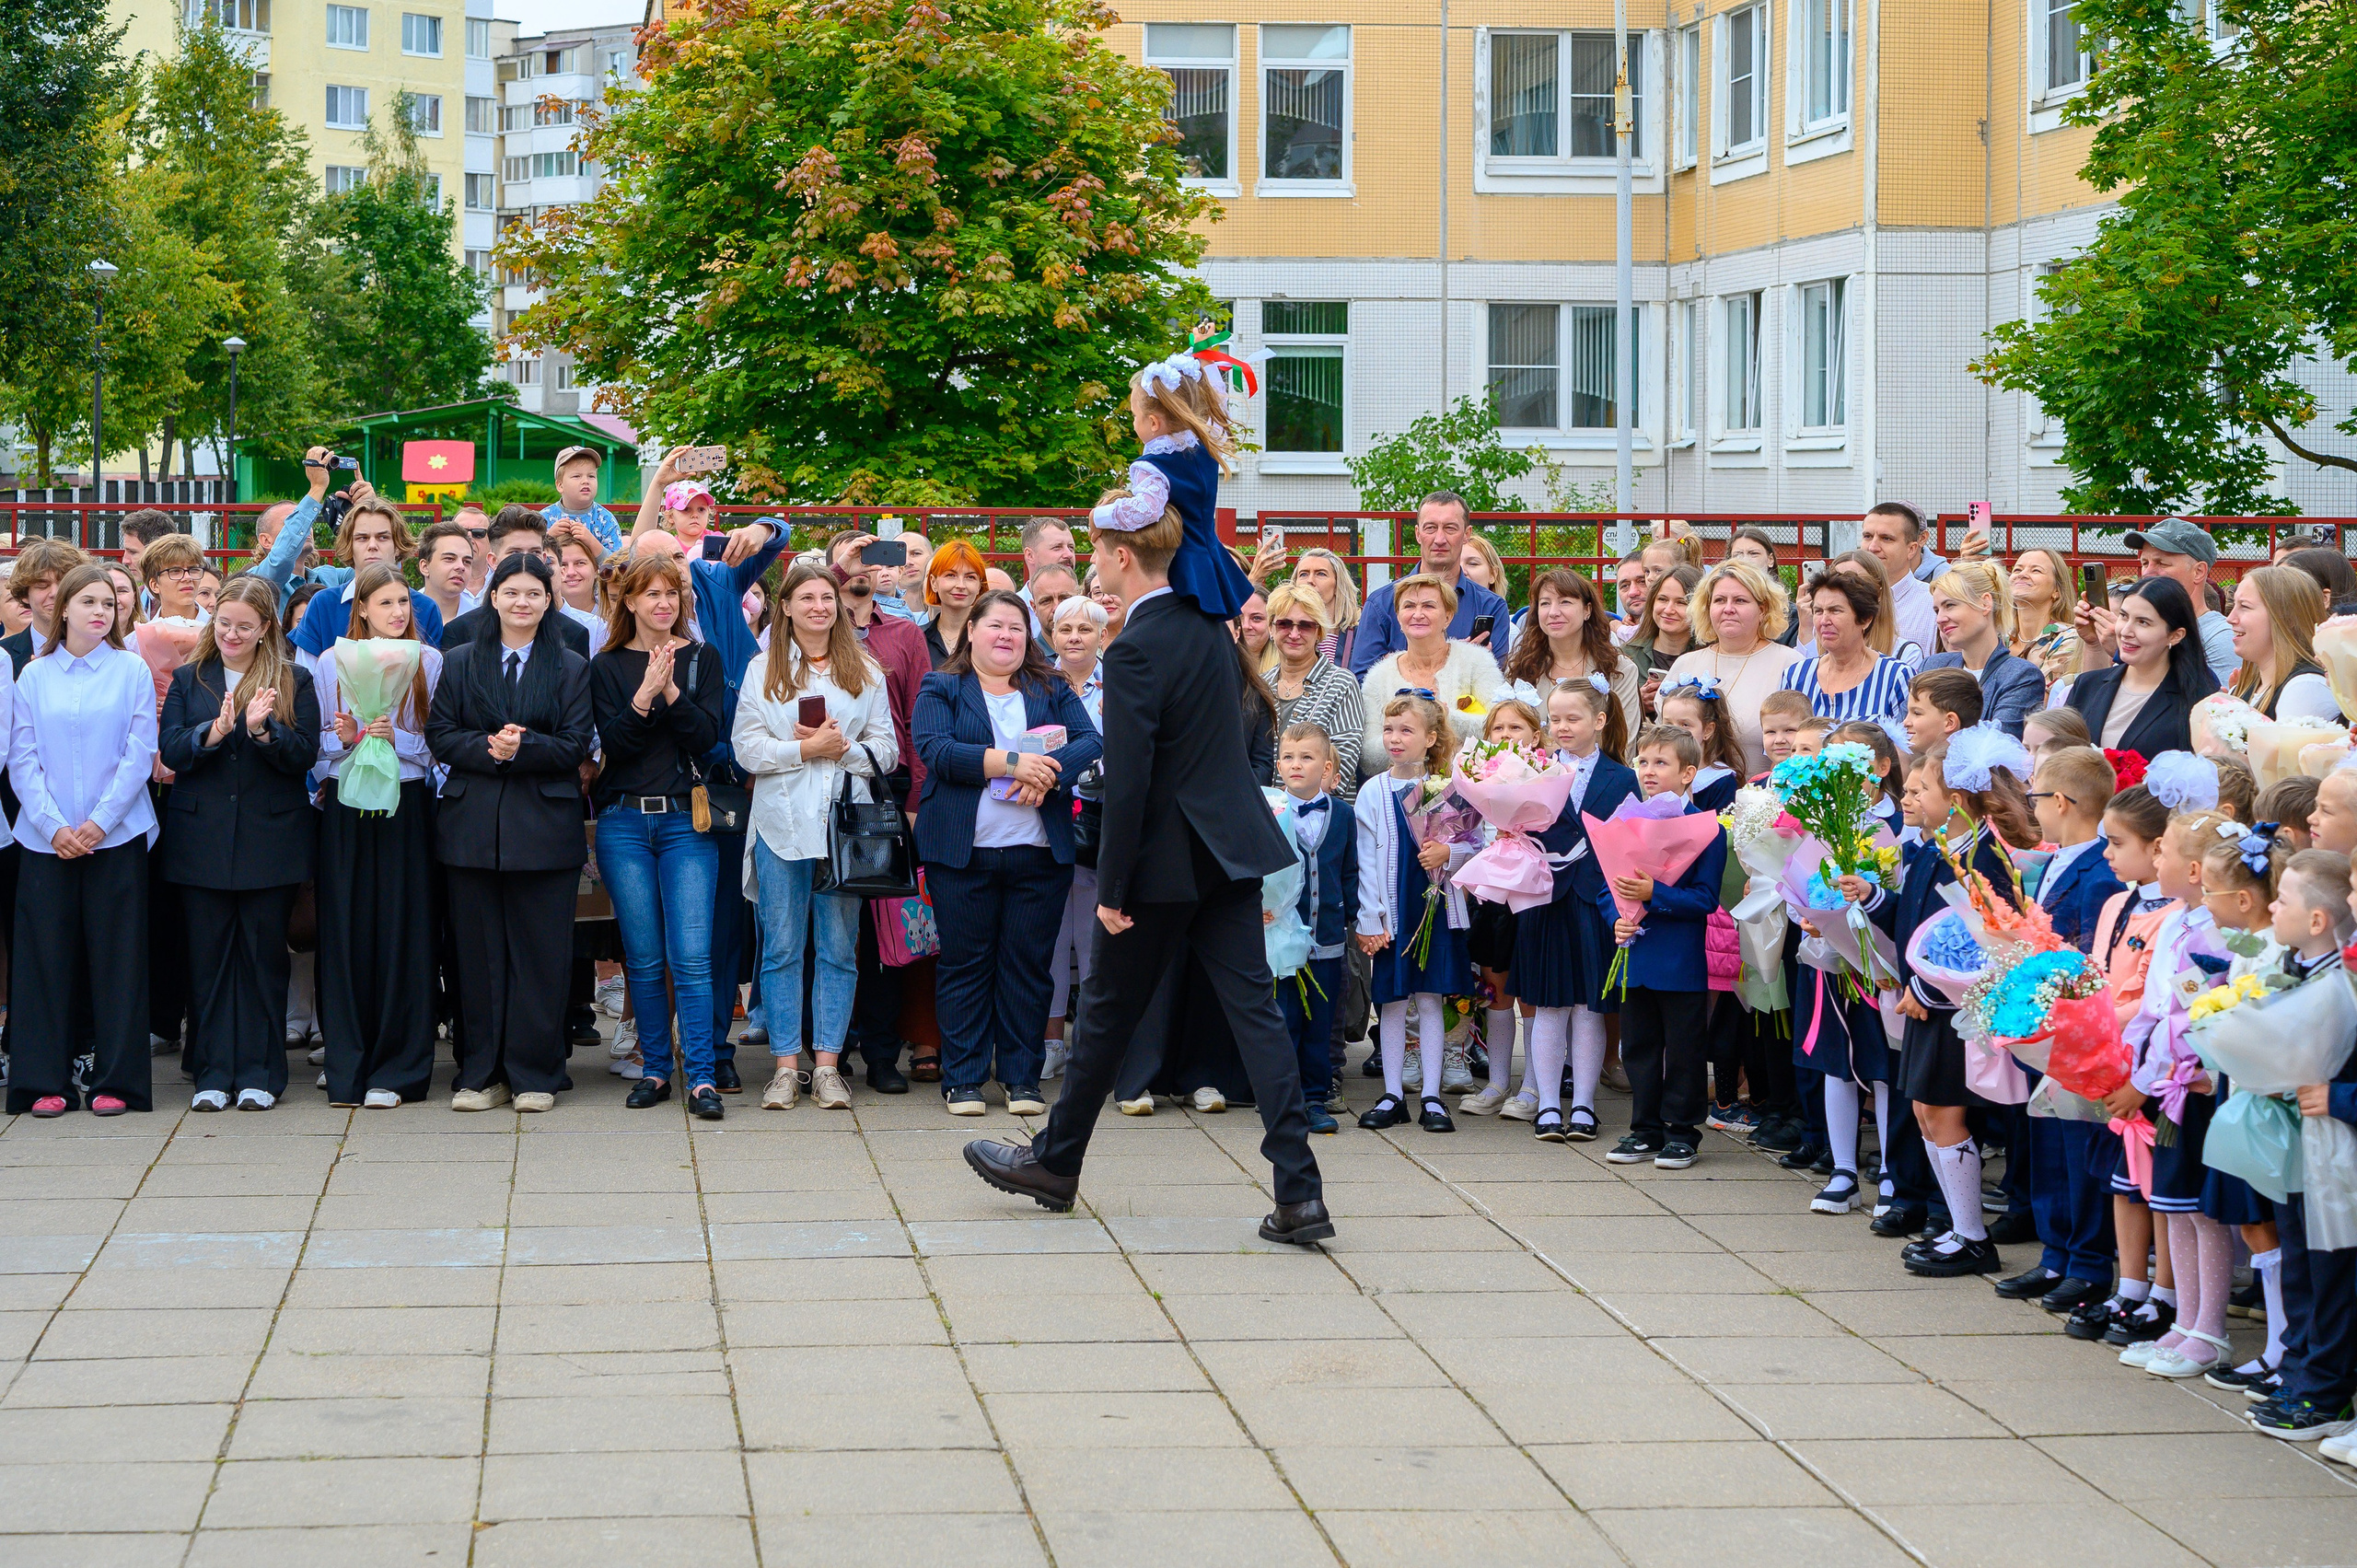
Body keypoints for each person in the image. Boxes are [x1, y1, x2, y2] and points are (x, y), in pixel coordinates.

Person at [960, 500, 1330, 1248]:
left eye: (1099, 550)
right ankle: (1300, 1193)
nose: (1092, 563)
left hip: (1164, 860)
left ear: (1124, 557)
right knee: (1254, 1015)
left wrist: (1114, 888)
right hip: (1229, 849)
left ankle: (1055, 1164)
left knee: (1104, 1012)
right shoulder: (1208, 623)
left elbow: (1129, 779)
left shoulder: (1134, 645)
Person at [914, 589, 1100, 1117]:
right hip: (962, 854)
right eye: (995, 625)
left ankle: (1022, 1078)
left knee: (1028, 967)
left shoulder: (1051, 686)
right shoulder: (941, 686)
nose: (1006, 636)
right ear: (971, 631)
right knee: (965, 966)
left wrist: (1047, 774)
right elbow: (936, 750)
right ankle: (965, 1079)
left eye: (1016, 628)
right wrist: (1013, 763)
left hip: (1038, 854)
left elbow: (1090, 741)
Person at [1858, 735, 2038, 1277]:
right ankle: (1960, 1228)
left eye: (1920, 790)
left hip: (1953, 1011)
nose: (1907, 798)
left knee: (1944, 1114)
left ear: (1955, 800)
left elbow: (1995, 943)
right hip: (1925, 1005)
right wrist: (1872, 899)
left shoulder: (1986, 858)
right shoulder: (1934, 851)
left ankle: (1972, 1236)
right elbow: (1916, 923)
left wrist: (1931, 990)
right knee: (1925, 1112)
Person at [425, 553, 596, 1114]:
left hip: (544, 829)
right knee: (475, 958)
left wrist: (525, 747)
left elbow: (575, 742)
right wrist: (487, 749)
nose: (522, 602)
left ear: (549, 601)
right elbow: (441, 733)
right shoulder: (459, 660)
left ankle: (535, 1073)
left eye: (534, 594)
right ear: (493, 596)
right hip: (471, 827)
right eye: (512, 592)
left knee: (541, 956)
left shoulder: (570, 665)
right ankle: (481, 1072)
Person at [733, 562, 899, 1110]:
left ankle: (827, 1066)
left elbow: (888, 751)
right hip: (781, 825)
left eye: (827, 598)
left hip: (844, 828)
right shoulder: (763, 670)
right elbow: (746, 748)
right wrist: (805, 750)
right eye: (806, 598)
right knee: (781, 948)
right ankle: (785, 1066)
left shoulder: (865, 670)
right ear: (784, 607)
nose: (819, 607)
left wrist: (842, 749)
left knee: (838, 948)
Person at [157, 577, 319, 1112]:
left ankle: (260, 1074)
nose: (231, 634)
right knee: (207, 961)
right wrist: (216, 731)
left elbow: (305, 755)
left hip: (270, 842)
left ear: (265, 628)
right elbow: (172, 750)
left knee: (261, 960)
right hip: (200, 841)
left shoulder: (293, 678)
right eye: (224, 623)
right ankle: (211, 1073)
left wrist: (265, 732)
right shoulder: (189, 678)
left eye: (244, 627)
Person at [6, 563, 156, 1117]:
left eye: (109, 604)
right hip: (45, 841)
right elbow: (21, 758)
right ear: (62, 607)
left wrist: (101, 820)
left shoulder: (131, 669)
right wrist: (53, 826)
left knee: (119, 960)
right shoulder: (33, 675)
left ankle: (118, 1081)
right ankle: (43, 1081)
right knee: (43, 960)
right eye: (88, 601)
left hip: (116, 837)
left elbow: (139, 752)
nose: (100, 612)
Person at [590, 552, 729, 1120]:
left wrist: (670, 690)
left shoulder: (702, 658)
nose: (664, 603)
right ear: (629, 601)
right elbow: (616, 746)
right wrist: (644, 693)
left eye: (672, 593)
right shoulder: (606, 666)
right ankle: (654, 1068)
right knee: (643, 957)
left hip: (684, 821)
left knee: (691, 956)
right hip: (623, 821)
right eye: (651, 593)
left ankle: (701, 1077)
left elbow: (707, 739)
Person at [1997, 745, 2127, 1313]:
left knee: (2080, 1145)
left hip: (2075, 1028)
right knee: (2046, 1140)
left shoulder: (2100, 871)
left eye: (2035, 797)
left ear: (2063, 802)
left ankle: (2088, 1262)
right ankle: (2055, 1254)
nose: (2031, 806)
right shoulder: (2053, 857)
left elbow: (2090, 955)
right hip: (2043, 1024)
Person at [312, 562, 442, 1109]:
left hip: (407, 805)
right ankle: (347, 1063)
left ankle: (399, 1068)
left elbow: (437, 746)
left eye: (403, 602)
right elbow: (318, 747)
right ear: (361, 609)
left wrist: (395, 739)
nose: (396, 612)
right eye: (385, 603)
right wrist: (348, 738)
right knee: (346, 930)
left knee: (403, 931)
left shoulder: (428, 660)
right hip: (347, 804)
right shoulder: (331, 661)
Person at [2063, 779, 2181, 1346]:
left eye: (2116, 843)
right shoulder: (2117, 902)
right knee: (2122, 1181)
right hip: (2113, 1060)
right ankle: (2129, 1287)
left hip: (2156, 1066)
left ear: (2158, 847)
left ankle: (2166, 1294)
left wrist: (2099, 1021)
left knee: (2158, 1186)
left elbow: (2155, 998)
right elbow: (2100, 973)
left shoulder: (2177, 914)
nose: (2106, 854)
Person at [819, 530, 935, 1091]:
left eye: (873, 557)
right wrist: (840, 570)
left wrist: (914, 801)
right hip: (822, 786)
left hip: (888, 789)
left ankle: (883, 1052)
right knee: (831, 925)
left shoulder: (905, 633)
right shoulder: (818, 626)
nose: (867, 566)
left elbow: (918, 720)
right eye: (854, 559)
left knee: (884, 926)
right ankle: (831, 1048)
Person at [1504, 679, 1634, 1141]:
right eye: (1554, 718)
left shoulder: (1622, 778)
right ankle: (1546, 1104)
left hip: (1597, 902)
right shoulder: (1531, 770)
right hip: (1546, 899)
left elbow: (1629, 842)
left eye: (1572, 718)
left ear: (1599, 721)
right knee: (1548, 1004)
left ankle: (1583, 1104)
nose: (1561, 726)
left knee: (1588, 1007)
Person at [1600, 724, 1729, 1171]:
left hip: (1679, 962)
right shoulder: (1626, 821)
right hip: (1635, 957)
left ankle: (1682, 1132)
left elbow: (1705, 900)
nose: (1649, 771)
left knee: (1684, 1049)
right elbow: (1606, 886)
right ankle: (1645, 1128)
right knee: (1638, 1046)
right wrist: (1616, 918)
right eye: (1643, 761)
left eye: (1661, 762)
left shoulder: (1708, 830)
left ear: (1688, 773)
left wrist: (1655, 893)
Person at [1351, 691, 1473, 1134]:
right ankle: (1392, 1095)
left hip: (1434, 906)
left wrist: (1449, 853)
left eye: (1407, 730)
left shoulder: (1450, 786)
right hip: (1393, 911)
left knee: (1431, 997)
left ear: (1431, 738)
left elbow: (1477, 843)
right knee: (1392, 1000)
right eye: (1389, 729)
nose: (1395, 738)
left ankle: (1432, 1096)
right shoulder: (1373, 790)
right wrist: (1370, 918)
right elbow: (1365, 859)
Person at [1087, 352, 1260, 621]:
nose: (1134, 423)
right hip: (1211, 556)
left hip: (1178, 567)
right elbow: (1219, 408)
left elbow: (1146, 509)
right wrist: (1207, 364)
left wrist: (1098, 516)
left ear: (1153, 423)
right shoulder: (1203, 444)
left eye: (1135, 416)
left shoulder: (1154, 465)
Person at [1274, 721, 1356, 1137]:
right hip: (1282, 938)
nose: (1296, 764)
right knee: (1284, 1019)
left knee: (1321, 1024)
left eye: (1306, 757)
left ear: (1326, 768)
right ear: (1278, 765)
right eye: (1288, 757)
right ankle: (1283, 1099)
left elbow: (1350, 871)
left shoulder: (1343, 815)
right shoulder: (1270, 810)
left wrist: (1355, 919)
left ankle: (1315, 1097)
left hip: (1327, 938)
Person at [1042, 595, 1109, 1081]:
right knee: (1051, 936)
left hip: (1104, 821)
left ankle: (1091, 1045)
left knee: (1093, 937)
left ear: (1102, 636)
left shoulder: (1120, 681)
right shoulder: (1036, 681)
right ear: (1051, 635)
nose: (1074, 638)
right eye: (1065, 629)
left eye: (1085, 630)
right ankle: (1050, 1043)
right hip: (1049, 815)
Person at [1346, 493, 1511, 677]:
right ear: (1418, 534)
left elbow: (1495, 682)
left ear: (1466, 534)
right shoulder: (1381, 604)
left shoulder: (1491, 606)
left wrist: (1397, 665)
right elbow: (1361, 680)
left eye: (1450, 528)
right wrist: (1462, 662)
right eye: (1430, 528)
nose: (1439, 539)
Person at [1662, 559, 1799, 776]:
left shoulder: (1790, 664)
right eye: (1719, 600)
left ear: (1762, 609)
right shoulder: (1685, 665)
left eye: (1740, 600)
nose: (1728, 609)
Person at [1356, 573, 1506, 763]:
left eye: (1428, 606)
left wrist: (1445, 717)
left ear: (1448, 617)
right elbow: (1368, 756)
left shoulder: (1478, 661)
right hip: (1401, 780)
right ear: (1399, 617)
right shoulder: (1378, 677)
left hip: (1468, 778)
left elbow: (1500, 727)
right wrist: (1406, 735)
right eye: (1409, 606)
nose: (1418, 614)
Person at [2065, 576, 2220, 758]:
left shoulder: (2199, 699)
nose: (2125, 631)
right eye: (2124, 616)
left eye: (2143, 622)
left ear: (2175, 636)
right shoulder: (2087, 685)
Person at [2072, 517, 2238, 685]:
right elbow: (2094, 695)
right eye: (2145, 563)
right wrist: (2095, 644)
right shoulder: (2133, 628)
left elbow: (2210, 700)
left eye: (2161, 563)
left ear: (2199, 572)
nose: (2147, 573)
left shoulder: (2221, 638)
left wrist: (2125, 650)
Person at [289, 497, 447, 656]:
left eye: (383, 537)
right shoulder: (323, 605)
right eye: (362, 538)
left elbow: (431, 668)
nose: (372, 546)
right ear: (350, 546)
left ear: (398, 546)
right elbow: (306, 669)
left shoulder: (426, 608)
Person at [1505, 568, 1643, 745]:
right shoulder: (1520, 667)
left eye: (1565, 602)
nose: (1553, 612)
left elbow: (1624, 743)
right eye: (1545, 603)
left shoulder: (1619, 669)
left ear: (1587, 610)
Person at [1921, 562, 2046, 736]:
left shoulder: (2021, 676)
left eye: (1949, 605)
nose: (1940, 619)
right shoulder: (1932, 667)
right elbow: (1905, 736)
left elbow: (1995, 743)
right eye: (1937, 610)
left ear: (1985, 603)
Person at [1263, 583, 1365, 796]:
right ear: (1271, 628)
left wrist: (1280, 801)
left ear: (1319, 632)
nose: (1294, 634)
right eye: (1284, 624)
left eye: (1305, 626)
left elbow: (1342, 764)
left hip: (1320, 812)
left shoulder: (1341, 683)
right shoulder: (1260, 686)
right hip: (1262, 810)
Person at [442, 510, 588, 658]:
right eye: (514, 553)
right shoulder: (460, 632)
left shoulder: (573, 634)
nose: (525, 561)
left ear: (544, 559)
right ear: (493, 561)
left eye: (534, 553)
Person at [1779, 566, 1913, 726]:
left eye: (1835, 611)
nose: (1824, 621)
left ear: (1866, 619)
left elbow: (1909, 738)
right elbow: (1782, 732)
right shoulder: (1796, 676)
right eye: (1818, 611)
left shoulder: (1896, 676)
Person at [2228, 565, 2340, 722]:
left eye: (2245, 606)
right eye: (2234, 605)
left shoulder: (2304, 688)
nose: (2230, 618)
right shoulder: (2244, 688)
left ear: (2287, 618)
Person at [249, 447, 366, 595]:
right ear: (266, 541)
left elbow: (378, 571)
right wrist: (317, 487)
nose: (305, 528)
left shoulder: (332, 578)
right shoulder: (256, 580)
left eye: (307, 522)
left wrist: (368, 509)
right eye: (290, 522)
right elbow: (281, 560)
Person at [1859, 503, 1940, 656]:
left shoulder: (1933, 605)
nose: (1873, 547)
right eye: (1867, 536)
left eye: (1886, 538)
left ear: (1911, 549)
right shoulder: (1842, 599)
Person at [1624, 563, 1701, 714]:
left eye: (1681, 602)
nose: (1668, 609)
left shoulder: (1710, 657)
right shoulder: (1627, 656)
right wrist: (1637, 703)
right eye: (1663, 599)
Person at [2007, 547, 2084, 690]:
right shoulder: (1998, 637)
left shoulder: (2069, 638)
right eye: (2017, 570)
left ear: (2057, 590)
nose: (2022, 574)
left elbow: (2039, 697)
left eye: (2036, 570)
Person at [542, 444, 622, 557]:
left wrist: (591, 542)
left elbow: (617, 563)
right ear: (560, 485)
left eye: (591, 476)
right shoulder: (544, 519)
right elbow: (529, 558)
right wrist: (548, 538)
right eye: (577, 476)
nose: (586, 481)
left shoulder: (606, 520)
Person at [1289, 546, 1362, 668]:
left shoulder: (1359, 634)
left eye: (1321, 574)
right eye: (1303, 574)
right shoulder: (1282, 629)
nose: (1310, 581)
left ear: (1338, 585)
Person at [923, 539, 988, 667]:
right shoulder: (918, 638)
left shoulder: (990, 638)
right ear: (933, 582)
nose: (961, 585)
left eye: (970, 577)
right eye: (951, 575)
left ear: (979, 586)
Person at [414, 518, 479, 629]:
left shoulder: (481, 622)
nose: (461, 567)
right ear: (425, 567)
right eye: (449, 559)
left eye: (467, 562)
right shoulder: (403, 614)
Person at [555, 533, 607, 655]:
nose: (571, 572)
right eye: (562, 564)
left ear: (596, 569)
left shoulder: (614, 617)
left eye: (580, 563)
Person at [1235, 588, 1272, 674]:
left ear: (1272, 624)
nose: (1245, 626)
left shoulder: (1284, 672)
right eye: (1239, 618)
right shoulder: (1217, 666)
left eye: (1256, 618)